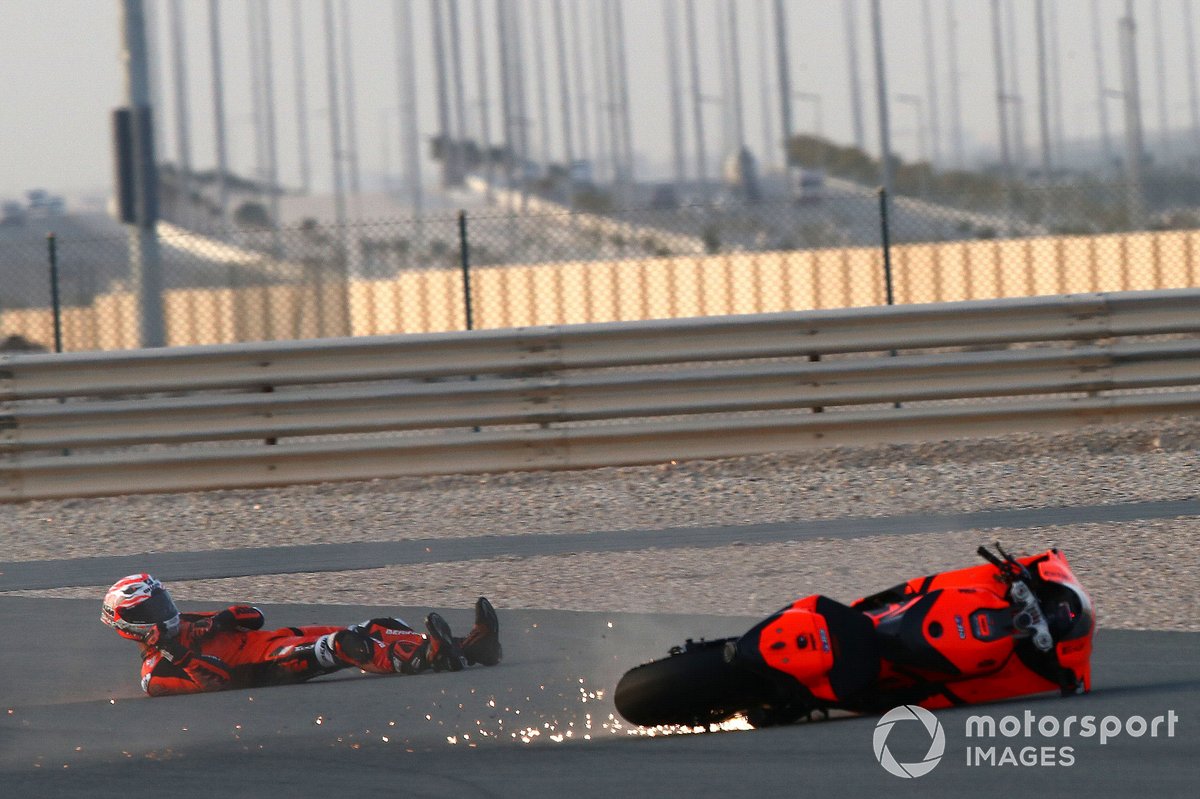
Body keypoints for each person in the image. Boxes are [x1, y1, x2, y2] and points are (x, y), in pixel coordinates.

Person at [101, 573, 502, 697]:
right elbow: (220, 682)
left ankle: (468, 649)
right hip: (271, 665)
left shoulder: (188, 619)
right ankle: (425, 659)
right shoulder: (155, 675)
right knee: (347, 646)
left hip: (282, 637)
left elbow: (255, 616)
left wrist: (221, 618)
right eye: (150, 611)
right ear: (128, 624)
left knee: (384, 624)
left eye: (162, 602)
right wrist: (180, 653)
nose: (165, 612)